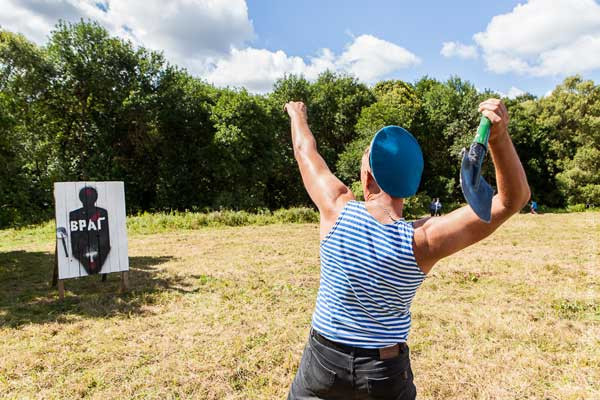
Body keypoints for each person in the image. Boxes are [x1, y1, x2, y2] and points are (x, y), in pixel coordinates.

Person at [284, 98, 530, 400]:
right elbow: (510, 201)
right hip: (385, 372)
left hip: (323, 362)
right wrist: (499, 137)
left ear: (368, 176)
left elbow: (304, 151)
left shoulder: (336, 207)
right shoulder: (424, 240)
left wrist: (297, 114)